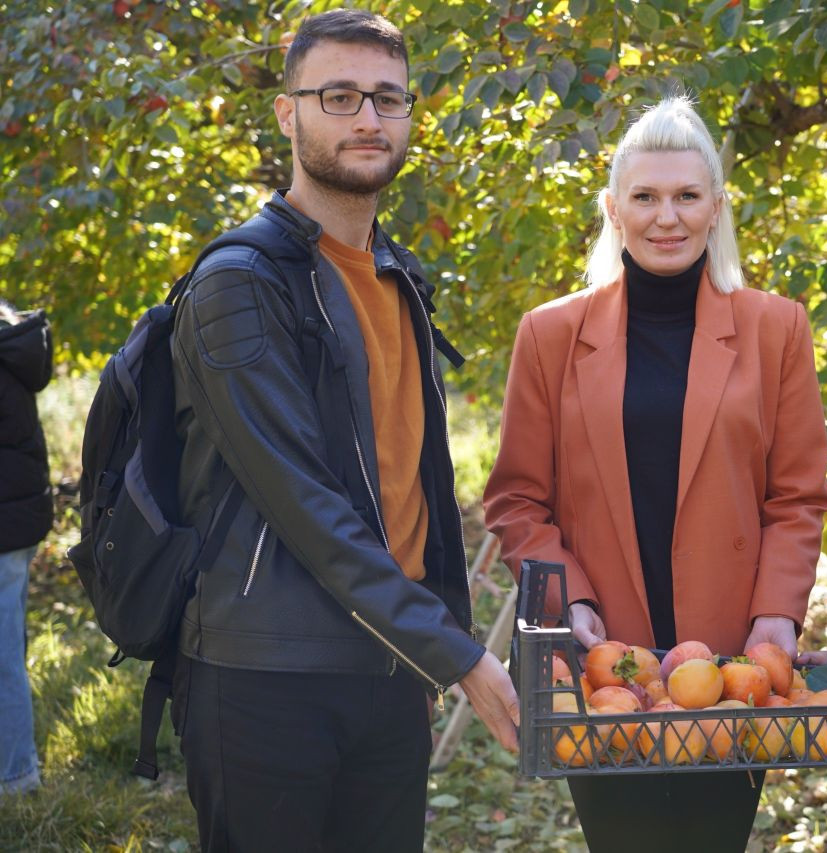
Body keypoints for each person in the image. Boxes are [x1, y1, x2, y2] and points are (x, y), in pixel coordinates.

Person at [168, 10, 519, 851]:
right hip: (266, 679)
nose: (368, 117)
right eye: (340, 95)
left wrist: (433, 639)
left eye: (388, 98)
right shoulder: (239, 284)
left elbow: (416, 485)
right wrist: (459, 653)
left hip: (389, 669)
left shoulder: (398, 277)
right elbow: (305, 503)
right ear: (289, 114)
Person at [483, 96, 827, 852]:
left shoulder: (777, 329)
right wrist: (566, 596)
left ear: (716, 208)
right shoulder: (550, 335)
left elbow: (797, 496)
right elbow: (517, 498)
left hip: (731, 664)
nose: (665, 216)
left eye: (685, 196)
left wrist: (779, 610)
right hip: (606, 661)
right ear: (614, 209)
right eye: (645, 197)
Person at [0, 299, 53, 796]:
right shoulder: (13, 338)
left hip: (7, 522)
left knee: (3, 657)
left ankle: (15, 775)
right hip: (18, 517)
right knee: (7, 647)